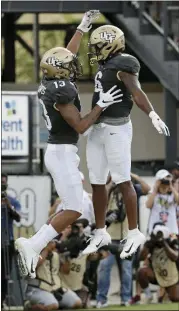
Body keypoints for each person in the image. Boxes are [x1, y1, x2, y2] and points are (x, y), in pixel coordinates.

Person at [15, 11, 123, 279]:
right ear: (59, 71)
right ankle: (32, 244)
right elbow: (82, 126)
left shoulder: (50, 80)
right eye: (68, 67)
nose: (73, 66)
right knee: (73, 208)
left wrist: (81, 28)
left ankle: (33, 243)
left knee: (71, 206)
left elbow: (65, 56)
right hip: (62, 153)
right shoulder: (61, 92)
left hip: (61, 152)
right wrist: (101, 104)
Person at [66, 20, 170, 258]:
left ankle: (134, 232)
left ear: (110, 46)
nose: (94, 51)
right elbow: (74, 58)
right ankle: (101, 230)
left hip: (116, 130)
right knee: (97, 182)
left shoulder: (124, 64)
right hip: (97, 128)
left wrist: (152, 114)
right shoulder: (107, 65)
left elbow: (136, 92)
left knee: (123, 180)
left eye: (97, 46)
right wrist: (82, 30)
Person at [96, 174, 150, 308]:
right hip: (110, 236)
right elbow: (101, 195)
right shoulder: (110, 190)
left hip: (127, 237)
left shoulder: (131, 189)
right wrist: (110, 179)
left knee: (126, 269)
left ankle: (126, 298)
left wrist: (131, 174)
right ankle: (101, 299)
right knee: (104, 267)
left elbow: (147, 188)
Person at [26, 241, 82, 310]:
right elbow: (32, 267)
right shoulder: (33, 251)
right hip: (37, 290)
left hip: (56, 289)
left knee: (77, 303)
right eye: (50, 242)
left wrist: (67, 256)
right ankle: (29, 306)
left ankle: (55, 304)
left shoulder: (55, 255)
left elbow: (65, 271)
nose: (53, 244)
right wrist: (46, 250)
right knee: (53, 305)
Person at [136, 223, 179, 303]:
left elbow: (175, 257)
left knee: (175, 298)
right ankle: (149, 296)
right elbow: (141, 258)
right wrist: (148, 245)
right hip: (157, 273)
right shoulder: (151, 242)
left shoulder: (172, 239)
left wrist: (165, 244)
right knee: (142, 272)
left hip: (172, 275)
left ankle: (165, 295)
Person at [1, 173, 21, 308]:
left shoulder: (12, 201)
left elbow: (18, 217)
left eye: (4, 182)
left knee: (4, 273)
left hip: (7, 241)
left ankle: (1, 300)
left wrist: (8, 206)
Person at [146, 169, 179, 235]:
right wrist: (155, 188)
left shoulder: (173, 195)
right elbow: (148, 205)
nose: (164, 184)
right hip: (156, 230)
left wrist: (171, 186)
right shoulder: (153, 194)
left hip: (171, 230)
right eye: (162, 181)